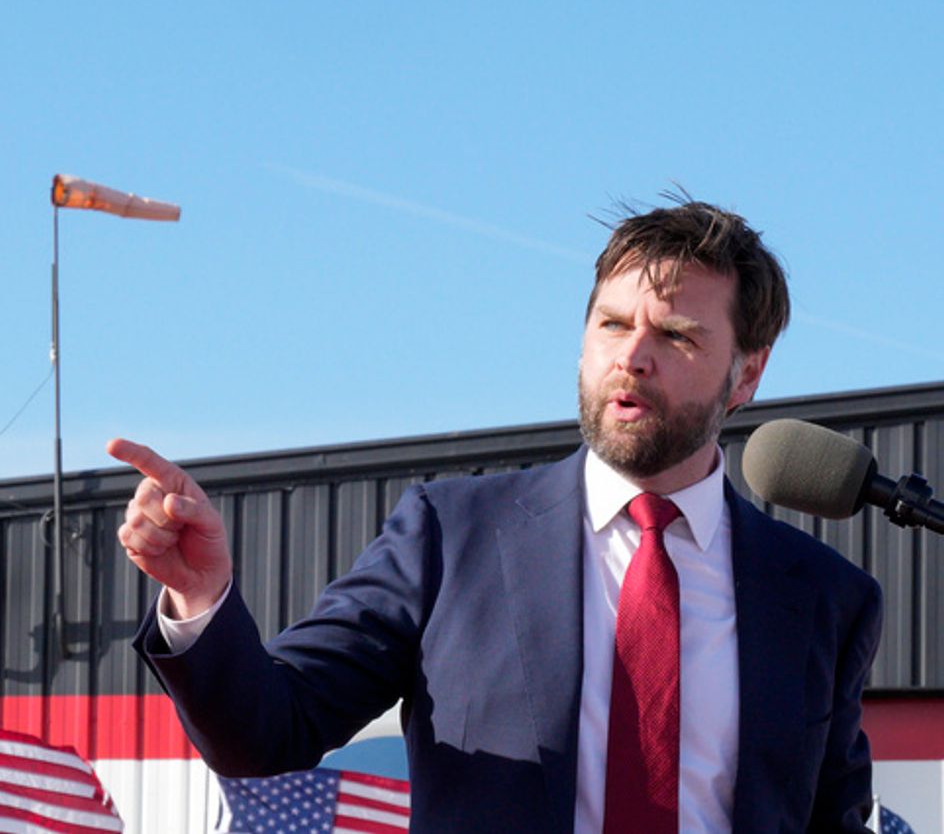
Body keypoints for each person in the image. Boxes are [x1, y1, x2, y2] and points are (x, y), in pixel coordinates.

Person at [110, 200, 882, 833]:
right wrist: (201, 600)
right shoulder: (450, 535)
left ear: (748, 372)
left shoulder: (822, 598)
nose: (633, 356)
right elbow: (267, 730)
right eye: (613, 324)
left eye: (677, 335)